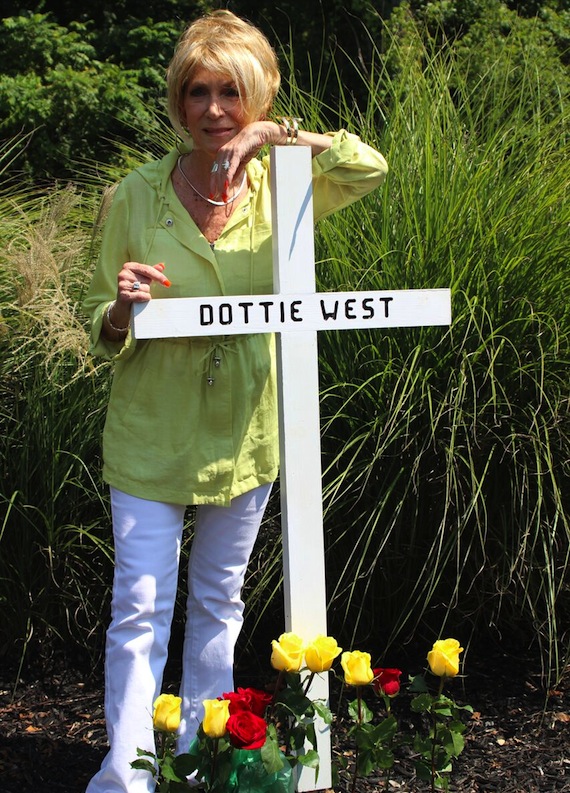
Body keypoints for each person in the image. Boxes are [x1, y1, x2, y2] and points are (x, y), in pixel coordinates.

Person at [83, 9, 388, 793]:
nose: (214, 109)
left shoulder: (289, 189)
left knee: (220, 600)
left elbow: (367, 167)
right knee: (141, 606)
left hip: (247, 436)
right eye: (197, 92)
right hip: (152, 437)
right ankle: (128, 772)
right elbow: (101, 330)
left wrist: (283, 137)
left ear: (257, 96)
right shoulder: (137, 195)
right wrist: (121, 307)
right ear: (178, 101)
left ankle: (201, 757)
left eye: (232, 92)